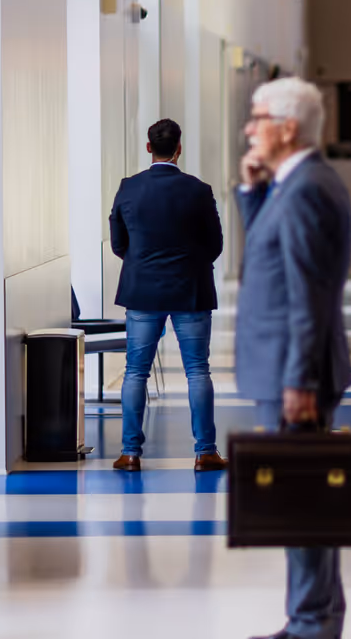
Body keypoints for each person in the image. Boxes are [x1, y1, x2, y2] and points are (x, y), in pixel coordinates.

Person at [236, 77, 351, 639]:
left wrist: (300, 380)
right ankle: (313, 616)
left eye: (257, 118)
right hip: (288, 366)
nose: (248, 129)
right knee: (304, 502)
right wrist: (252, 192)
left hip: (295, 371)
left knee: (302, 504)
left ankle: (312, 623)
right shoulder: (295, 183)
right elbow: (272, 254)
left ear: (287, 128)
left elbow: (309, 293)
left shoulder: (307, 188)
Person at [109, 119, 225, 472]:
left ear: (149, 147)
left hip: (142, 292)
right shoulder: (199, 190)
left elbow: (119, 243)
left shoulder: (129, 188)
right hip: (191, 290)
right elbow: (215, 244)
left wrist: (143, 263)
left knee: (135, 372)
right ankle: (205, 452)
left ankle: (130, 453)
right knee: (197, 371)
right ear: (179, 148)